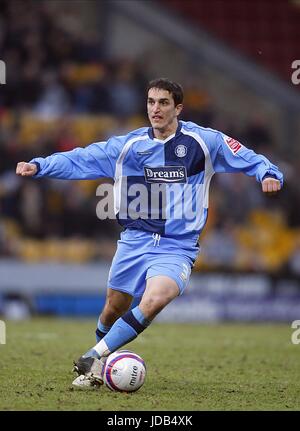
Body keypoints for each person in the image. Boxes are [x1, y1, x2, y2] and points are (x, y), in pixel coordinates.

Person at [16, 78, 283, 389]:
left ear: (178, 108)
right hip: (133, 242)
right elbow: (81, 158)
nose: (155, 109)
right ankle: (98, 367)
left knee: (157, 297)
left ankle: (92, 356)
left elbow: (246, 155)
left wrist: (268, 172)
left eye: (164, 103)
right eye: (151, 102)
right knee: (113, 308)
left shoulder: (203, 142)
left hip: (177, 247)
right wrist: (40, 166)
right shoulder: (128, 147)